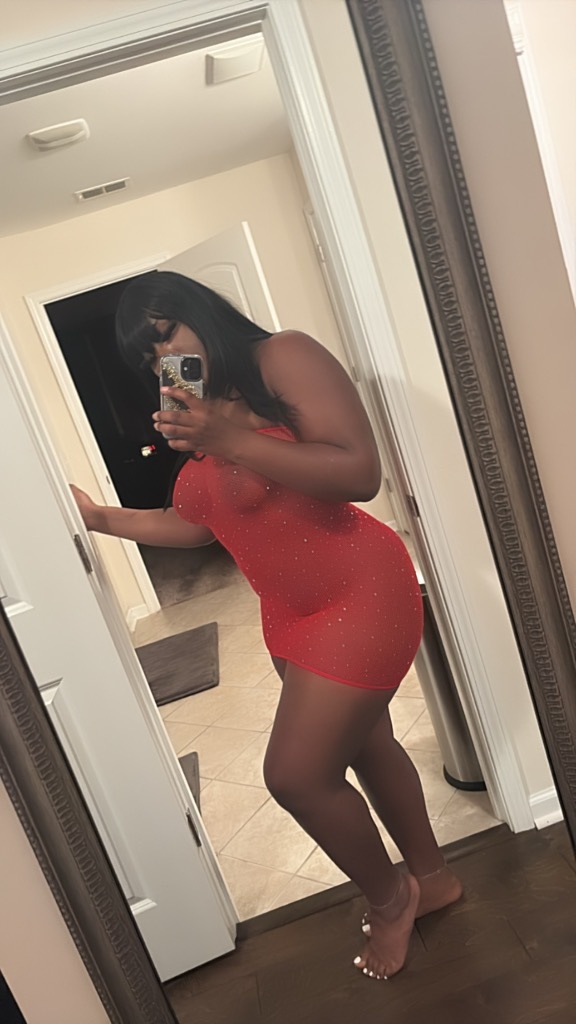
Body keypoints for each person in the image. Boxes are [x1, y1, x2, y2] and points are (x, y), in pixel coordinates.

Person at [72, 270, 462, 981]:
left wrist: (231, 437)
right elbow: (197, 524)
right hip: (288, 612)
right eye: (149, 356)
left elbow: (358, 473)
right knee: (368, 745)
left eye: (166, 333)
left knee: (296, 776)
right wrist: (101, 518)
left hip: (359, 592)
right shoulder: (199, 407)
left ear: (197, 309)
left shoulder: (282, 356)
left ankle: (392, 898)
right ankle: (432, 878)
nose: (165, 358)